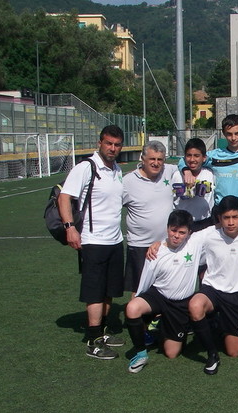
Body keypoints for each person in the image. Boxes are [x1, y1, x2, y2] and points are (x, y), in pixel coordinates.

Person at [58, 124, 126, 360]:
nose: (113, 148)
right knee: (95, 292)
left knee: (109, 291)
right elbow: (65, 197)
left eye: (117, 144)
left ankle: (103, 331)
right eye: (109, 143)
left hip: (115, 240)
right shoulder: (86, 167)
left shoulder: (117, 169)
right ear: (100, 143)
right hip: (93, 240)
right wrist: (70, 228)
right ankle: (93, 340)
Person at [188, 195, 238, 375]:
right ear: (219, 218)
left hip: (237, 295)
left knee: (234, 352)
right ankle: (212, 354)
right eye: (226, 218)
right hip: (212, 290)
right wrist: (160, 243)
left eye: (235, 217)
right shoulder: (208, 235)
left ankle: (216, 324)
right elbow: (181, 237)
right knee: (195, 306)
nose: (230, 222)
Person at [124, 210, 202, 373]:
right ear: (167, 228)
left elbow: (219, 226)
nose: (176, 236)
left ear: (189, 233)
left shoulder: (195, 242)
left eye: (182, 232)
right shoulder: (156, 251)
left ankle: (162, 324)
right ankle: (141, 353)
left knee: (172, 354)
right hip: (159, 295)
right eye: (173, 230)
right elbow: (145, 282)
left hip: (179, 303)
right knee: (132, 308)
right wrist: (142, 311)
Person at [122, 140, 181, 298]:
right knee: (139, 288)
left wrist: (187, 170)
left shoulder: (169, 171)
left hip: (166, 245)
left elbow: (187, 161)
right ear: (142, 159)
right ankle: (136, 321)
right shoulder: (127, 181)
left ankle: (159, 321)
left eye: (160, 159)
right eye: (152, 159)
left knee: (165, 286)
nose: (156, 163)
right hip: (140, 245)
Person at [176, 137, 216, 231]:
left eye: (197, 156)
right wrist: (185, 171)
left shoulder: (211, 173)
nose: (192, 159)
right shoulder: (176, 174)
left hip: (205, 222)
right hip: (181, 223)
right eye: (189, 155)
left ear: (204, 158)